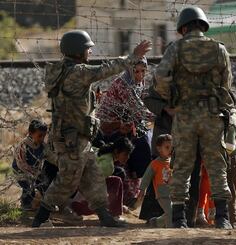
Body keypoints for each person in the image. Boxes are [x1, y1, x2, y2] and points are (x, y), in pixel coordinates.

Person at [32, 29, 151, 227]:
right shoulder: (78, 72)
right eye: (88, 49)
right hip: (72, 139)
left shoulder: (63, 70)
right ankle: (40, 218)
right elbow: (106, 70)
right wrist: (133, 57)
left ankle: (104, 216)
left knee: (93, 175)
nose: (90, 53)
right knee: (67, 180)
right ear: (78, 51)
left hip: (77, 137)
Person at [154, 6, 235, 229]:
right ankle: (222, 218)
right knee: (217, 165)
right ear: (203, 25)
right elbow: (227, 84)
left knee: (181, 165)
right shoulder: (219, 49)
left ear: (183, 27)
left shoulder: (175, 48)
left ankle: (179, 219)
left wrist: (171, 99)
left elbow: (160, 77)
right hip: (211, 115)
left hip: (185, 115)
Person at [144, 84, 202, 227]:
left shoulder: (200, 77)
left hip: (191, 135)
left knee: (191, 176)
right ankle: (159, 217)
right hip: (165, 132)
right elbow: (148, 98)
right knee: (161, 175)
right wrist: (166, 109)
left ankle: (188, 217)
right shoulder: (166, 76)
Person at [71, 137, 134, 220]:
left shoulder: (102, 152)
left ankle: (114, 213)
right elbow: (92, 185)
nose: (128, 157)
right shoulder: (108, 165)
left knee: (116, 180)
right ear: (116, 151)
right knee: (115, 182)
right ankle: (112, 214)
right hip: (81, 204)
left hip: (78, 195)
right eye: (125, 154)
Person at [96, 57, 149, 136]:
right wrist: (158, 114)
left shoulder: (139, 82)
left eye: (143, 71)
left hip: (125, 121)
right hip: (108, 126)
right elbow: (137, 108)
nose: (140, 75)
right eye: (136, 71)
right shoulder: (123, 84)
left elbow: (141, 103)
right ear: (130, 71)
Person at [12, 119, 57, 210]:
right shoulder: (23, 145)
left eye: (43, 136)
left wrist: (60, 162)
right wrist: (33, 174)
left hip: (35, 172)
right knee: (28, 187)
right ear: (30, 133)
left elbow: (51, 157)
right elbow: (21, 163)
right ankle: (25, 205)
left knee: (45, 184)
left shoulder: (43, 146)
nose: (42, 138)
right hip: (20, 171)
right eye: (39, 136)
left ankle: (47, 203)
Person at [138, 134, 173, 228]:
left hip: (172, 192)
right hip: (162, 194)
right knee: (170, 211)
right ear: (159, 149)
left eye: (172, 147)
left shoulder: (173, 162)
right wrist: (142, 190)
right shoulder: (155, 163)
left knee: (173, 210)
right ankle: (172, 229)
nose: (170, 150)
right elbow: (146, 177)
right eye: (167, 147)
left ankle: (156, 222)